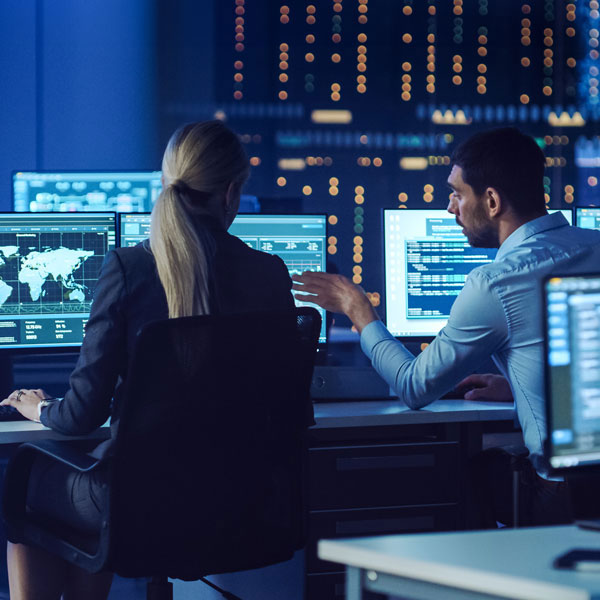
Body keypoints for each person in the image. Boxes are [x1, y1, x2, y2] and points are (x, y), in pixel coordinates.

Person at [1, 120, 295, 600]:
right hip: (245, 503)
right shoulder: (269, 273)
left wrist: (37, 408)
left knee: (26, 484)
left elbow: (81, 416)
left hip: (140, 504)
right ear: (231, 191)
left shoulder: (129, 268)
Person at [293, 127, 600, 522]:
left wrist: (358, 309)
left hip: (567, 498)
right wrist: (522, 386)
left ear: (490, 200)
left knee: (463, 467)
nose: (450, 208)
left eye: (456, 193)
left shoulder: (496, 282)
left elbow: (413, 386)